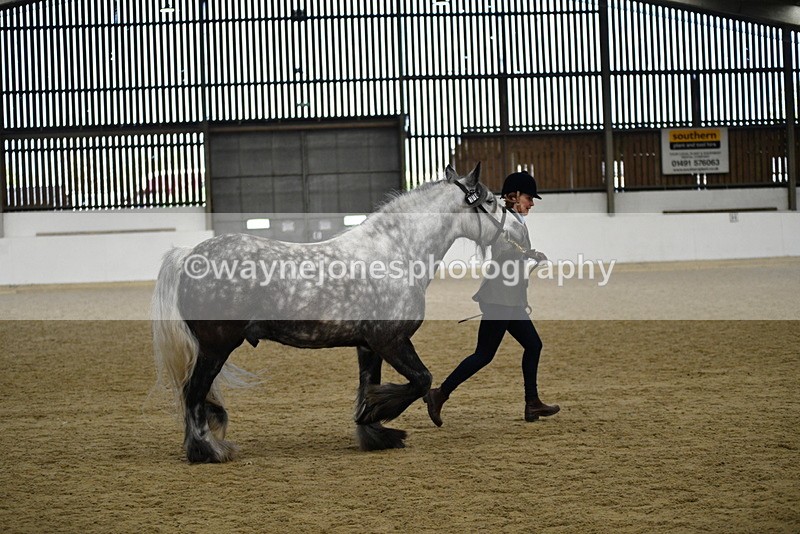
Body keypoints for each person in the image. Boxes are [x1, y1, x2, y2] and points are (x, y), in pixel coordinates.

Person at [423, 170, 560, 425]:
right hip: (499, 298)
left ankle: (532, 404)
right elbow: (501, 251)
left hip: (510, 298)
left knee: (533, 345)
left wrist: (530, 256)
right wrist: (528, 255)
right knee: (484, 354)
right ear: (513, 196)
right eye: (529, 197)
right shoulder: (500, 219)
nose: (531, 203)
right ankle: (439, 394)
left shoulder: (517, 220)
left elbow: (515, 253)